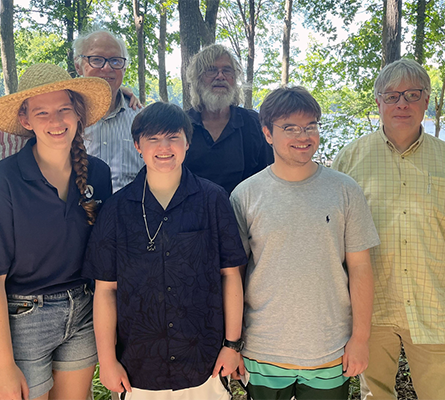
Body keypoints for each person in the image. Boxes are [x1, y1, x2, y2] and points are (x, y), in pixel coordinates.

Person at [332, 58, 445, 400]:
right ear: (378, 102)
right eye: (392, 95)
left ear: (428, 101)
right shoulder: (348, 161)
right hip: (371, 309)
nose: (402, 103)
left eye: (413, 94)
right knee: (375, 395)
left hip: (435, 306)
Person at [83, 102, 246, 399]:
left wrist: (232, 345)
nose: (164, 147)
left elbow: (230, 275)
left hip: (204, 362)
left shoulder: (213, 199)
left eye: (173, 137)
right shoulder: (117, 209)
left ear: (187, 142)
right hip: (137, 366)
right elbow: (106, 291)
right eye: (153, 139)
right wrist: (107, 361)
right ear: (138, 145)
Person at [230, 87, 379, 400]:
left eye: (310, 126)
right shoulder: (245, 195)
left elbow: (361, 267)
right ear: (267, 133)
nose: (303, 135)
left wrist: (360, 338)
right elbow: (234, 275)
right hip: (263, 348)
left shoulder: (344, 190)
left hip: (329, 346)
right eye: (290, 128)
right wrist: (232, 343)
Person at [0, 63, 113, 400]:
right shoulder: (1, 182)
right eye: (42, 113)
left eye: (64, 109)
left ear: (78, 114)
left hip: (83, 312)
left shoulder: (98, 173)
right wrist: (3, 364)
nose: (56, 121)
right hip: (22, 319)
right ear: (26, 121)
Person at [184, 44, 272, 195]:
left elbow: (269, 175)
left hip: (241, 215)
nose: (220, 76)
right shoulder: (181, 125)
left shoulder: (253, 124)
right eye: (211, 70)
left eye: (227, 70)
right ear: (198, 80)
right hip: (192, 215)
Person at [74, 29, 145, 191]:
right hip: (79, 214)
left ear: (124, 68)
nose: (107, 68)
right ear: (78, 66)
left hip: (130, 213)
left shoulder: (142, 120)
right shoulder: (64, 118)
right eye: (97, 60)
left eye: (115, 61)